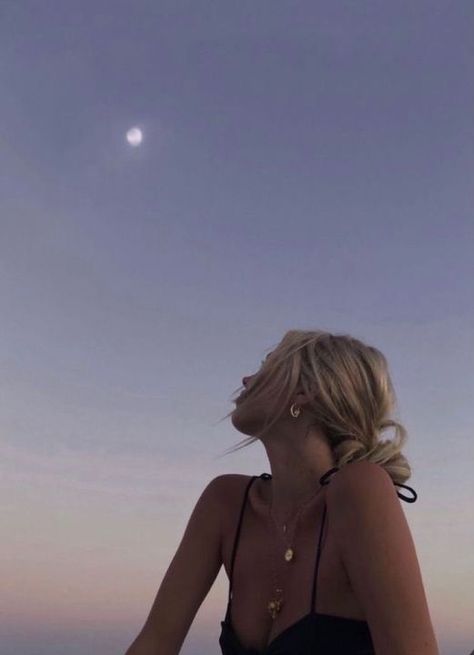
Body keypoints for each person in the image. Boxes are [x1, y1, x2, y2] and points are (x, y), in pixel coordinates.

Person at [125, 330, 440, 655]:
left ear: (304, 392)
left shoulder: (361, 490)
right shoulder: (226, 503)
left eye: (267, 368)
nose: (246, 380)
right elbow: (155, 642)